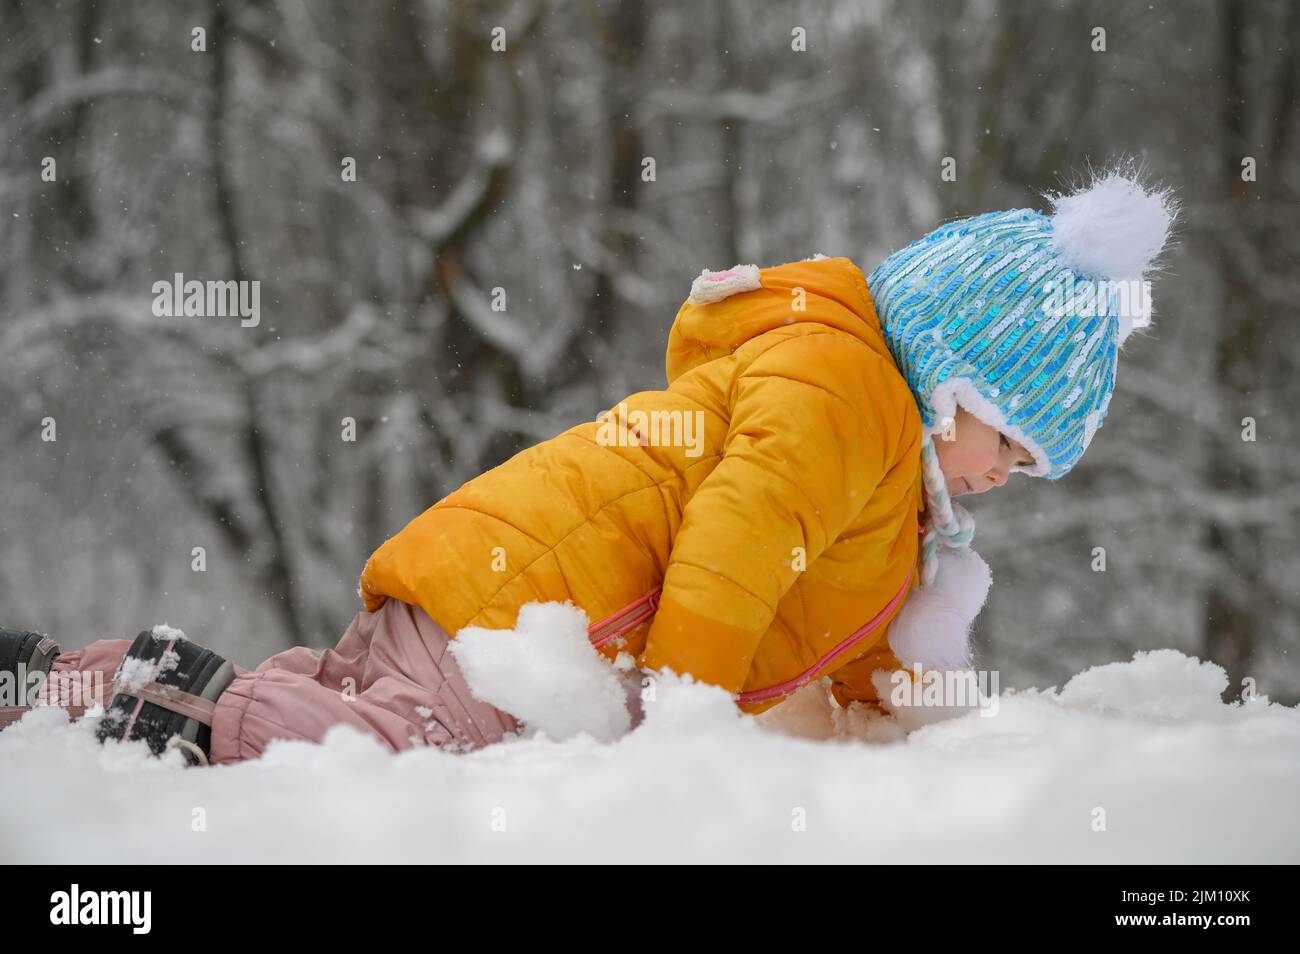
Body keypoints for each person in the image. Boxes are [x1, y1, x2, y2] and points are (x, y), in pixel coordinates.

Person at [0, 165, 1176, 765]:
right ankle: (137, 703)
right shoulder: (846, 394)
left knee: (350, 717)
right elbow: (738, 542)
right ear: (960, 379)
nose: (1002, 480)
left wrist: (913, 727)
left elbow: (843, 637)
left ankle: (69, 678)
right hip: (527, 606)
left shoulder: (876, 478)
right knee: (385, 754)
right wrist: (687, 721)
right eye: (1011, 447)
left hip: (506, 594)